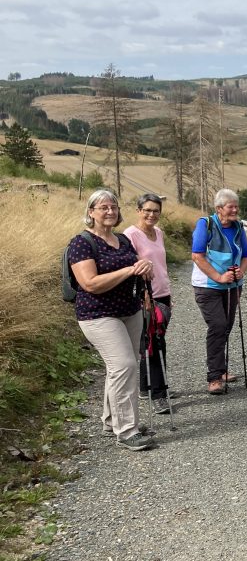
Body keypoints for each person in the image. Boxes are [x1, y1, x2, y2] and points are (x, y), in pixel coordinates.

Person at [68, 189, 155, 452]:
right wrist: (130, 269)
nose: (110, 211)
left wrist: (144, 267)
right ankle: (127, 430)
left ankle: (111, 421)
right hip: (97, 314)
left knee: (122, 367)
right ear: (91, 212)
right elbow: (90, 283)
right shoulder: (81, 243)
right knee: (124, 365)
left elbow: (137, 265)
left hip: (130, 310)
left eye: (114, 207)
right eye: (103, 207)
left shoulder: (123, 240)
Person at [191, 188, 247, 395]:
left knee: (226, 327)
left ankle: (221, 368)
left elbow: (246, 255)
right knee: (217, 326)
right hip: (207, 286)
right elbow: (197, 255)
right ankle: (214, 377)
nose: (235, 210)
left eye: (236, 206)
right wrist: (218, 277)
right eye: (230, 207)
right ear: (219, 209)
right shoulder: (205, 224)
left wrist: (240, 273)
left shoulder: (238, 226)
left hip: (232, 286)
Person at [123, 193, 172, 414]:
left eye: (156, 211)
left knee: (152, 342)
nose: (152, 214)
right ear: (139, 210)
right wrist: (143, 295)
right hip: (145, 296)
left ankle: (145, 387)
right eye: (147, 210)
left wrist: (168, 291)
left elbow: (160, 264)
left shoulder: (158, 233)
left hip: (163, 294)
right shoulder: (130, 235)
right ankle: (159, 395)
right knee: (154, 344)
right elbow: (131, 268)